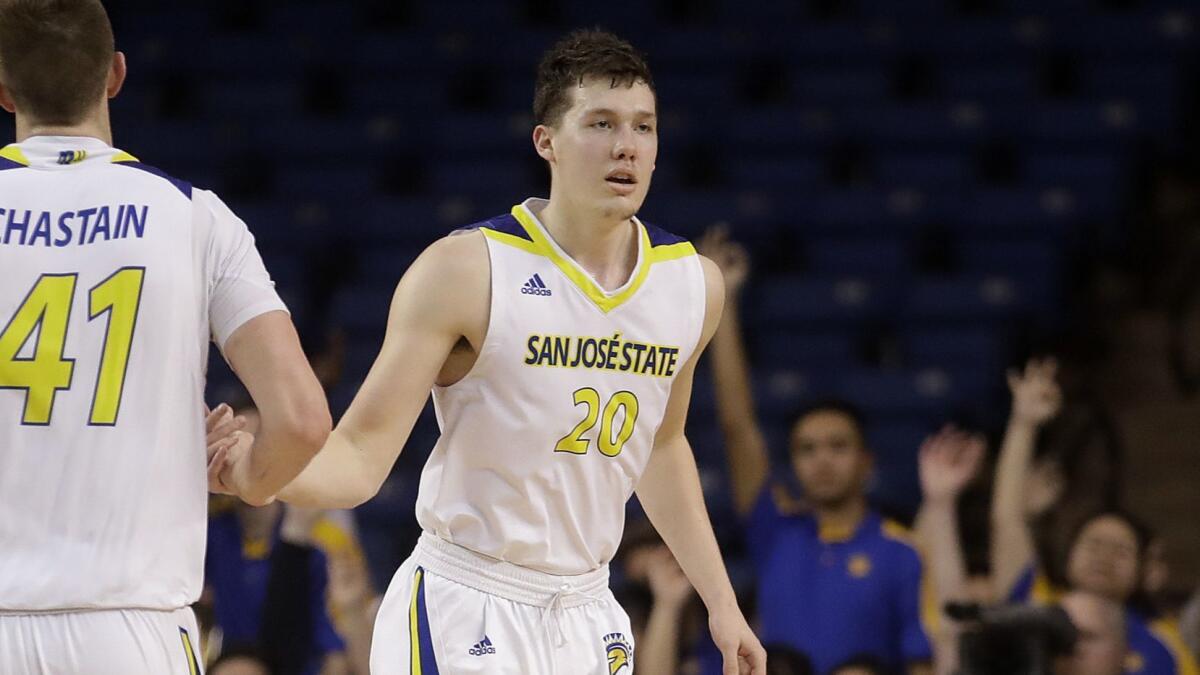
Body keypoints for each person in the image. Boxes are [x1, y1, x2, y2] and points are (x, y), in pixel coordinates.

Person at [211, 28, 764, 675]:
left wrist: (722, 603)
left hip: (588, 609)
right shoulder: (466, 269)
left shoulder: (692, 284)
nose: (626, 146)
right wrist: (262, 473)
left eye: (644, 127)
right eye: (602, 123)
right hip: (466, 600)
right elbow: (360, 456)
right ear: (546, 142)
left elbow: (662, 447)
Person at [0, 1, 331, 672]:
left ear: (3, 89)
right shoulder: (194, 217)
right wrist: (246, 474)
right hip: (132, 630)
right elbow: (300, 421)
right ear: (116, 74)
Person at [698, 227, 934, 674]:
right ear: (795, 464)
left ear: (867, 462)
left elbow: (920, 661)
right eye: (807, 449)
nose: (822, 459)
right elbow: (738, 427)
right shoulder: (776, 530)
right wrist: (726, 303)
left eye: (838, 446)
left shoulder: (903, 551)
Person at [991, 360, 1198, 675]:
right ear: (1068, 554)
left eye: (1121, 551)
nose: (1104, 557)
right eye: (1094, 544)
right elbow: (1006, 520)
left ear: (1146, 570)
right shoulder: (1036, 604)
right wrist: (1024, 423)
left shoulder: (1164, 648)